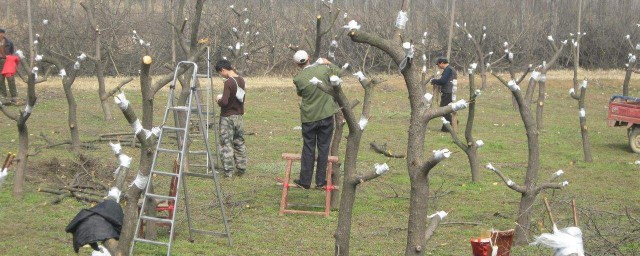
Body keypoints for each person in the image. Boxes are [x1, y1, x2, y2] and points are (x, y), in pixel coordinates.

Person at [291, 50, 339, 189]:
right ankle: (320, 181)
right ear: (309, 58)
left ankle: (305, 180)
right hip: (326, 115)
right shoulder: (324, 69)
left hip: (309, 117)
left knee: (308, 148)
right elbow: (339, 73)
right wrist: (328, 62)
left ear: (296, 63)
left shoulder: (298, 78)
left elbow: (300, 93)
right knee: (324, 148)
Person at [215, 59, 247, 178]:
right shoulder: (241, 80)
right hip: (239, 117)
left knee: (226, 144)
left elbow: (224, 102)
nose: (220, 75)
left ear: (223, 70)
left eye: (220, 73)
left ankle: (228, 172)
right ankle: (242, 168)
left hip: (227, 117)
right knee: (239, 142)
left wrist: (218, 100)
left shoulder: (228, 82)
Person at [431, 57, 457, 132]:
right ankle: (453, 123)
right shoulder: (451, 69)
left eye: (438, 64)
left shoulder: (448, 69)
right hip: (451, 92)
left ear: (442, 63)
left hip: (448, 92)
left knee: (444, 109)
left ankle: (446, 128)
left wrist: (434, 80)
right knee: (448, 109)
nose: (438, 66)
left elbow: (443, 81)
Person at [0, 28, 19, 105]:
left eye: (2, 33)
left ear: (4, 34)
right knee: (0, 80)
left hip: (7, 62)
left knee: (10, 79)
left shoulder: (9, 42)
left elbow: (12, 53)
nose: (1, 35)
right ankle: (3, 96)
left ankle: (14, 96)